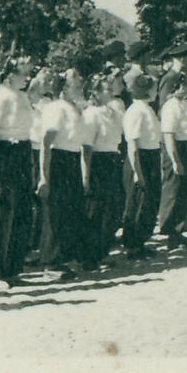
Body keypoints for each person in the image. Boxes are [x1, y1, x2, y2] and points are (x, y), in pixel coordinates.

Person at [0, 56, 36, 285]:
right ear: (11, 75)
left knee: (20, 213)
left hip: (21, 153)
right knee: (1, 215)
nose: (28, 77)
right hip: (4, 156)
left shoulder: (21, 97)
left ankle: (11, 268)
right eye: (24, 73)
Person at [38, 69, 92, 278]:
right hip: (58, 160)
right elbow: (46, 143)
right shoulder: (56, 108)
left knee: (70, 211)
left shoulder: (75, 108)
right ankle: (50, 262)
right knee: (56, 211)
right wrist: (44, 175)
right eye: (75, 81)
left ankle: (64, 258)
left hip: (72, 160)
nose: (79, 84)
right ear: (64, 86)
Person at [80, 74, 126, 263]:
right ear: (95, 92)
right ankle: (90, 254)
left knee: (112, 208)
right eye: (106, 89)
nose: (111, 92)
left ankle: (104, 249)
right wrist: (86, 175)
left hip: (113, 158)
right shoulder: (91, 113)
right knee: (96, 209)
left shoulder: (112, 111)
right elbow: (86, 147)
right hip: (98, 162)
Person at [158, 70, 187, 248]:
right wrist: (175, 160)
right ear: (181, 86)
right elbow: (169, 134)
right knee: (174, 191)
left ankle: (179, 230)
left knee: (185, 192)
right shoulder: (171, 106)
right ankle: (170, 232)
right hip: (178, 149)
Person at [121, 73, 162, 257]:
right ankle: (132, 245)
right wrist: (137, 171)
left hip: (151, 155)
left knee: (149, 202)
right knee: (138, 202)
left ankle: (141, 241)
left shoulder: (147, 108)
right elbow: (133, 143)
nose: (157, 91)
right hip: (141, 158)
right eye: (154, 88)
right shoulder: (136, 110)